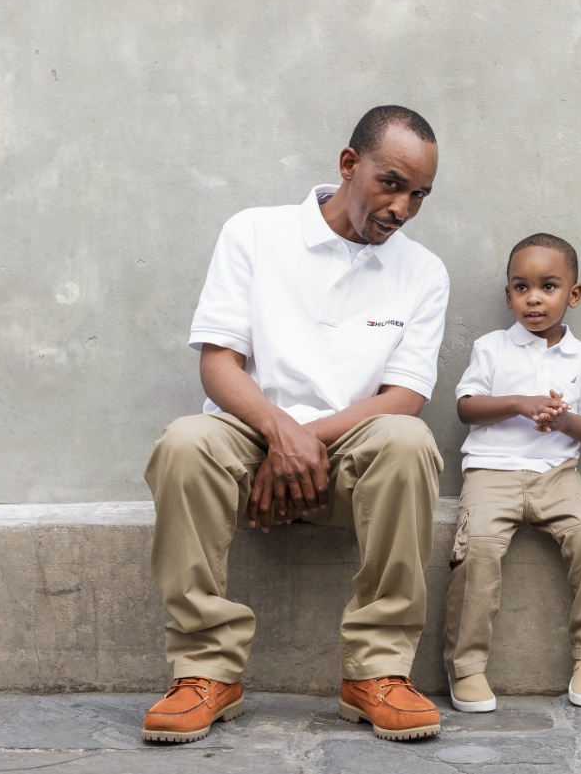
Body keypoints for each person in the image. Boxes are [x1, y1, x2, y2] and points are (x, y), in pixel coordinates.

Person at [141, 106, 450, 743]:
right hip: (251, 444)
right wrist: (279, 434)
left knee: (408, 442)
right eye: (390, 183)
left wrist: (304, 443)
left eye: (419, 194)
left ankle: (377, 673)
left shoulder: (423, 271)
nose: (402, 207)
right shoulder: (255, 232)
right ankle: (206, 671)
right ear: (348, 164)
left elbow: (405, 398)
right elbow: (220, 365)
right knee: (184, 442)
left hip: (349, 458)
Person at [443, 234, 581, 712]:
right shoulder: (491, 347)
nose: (534, 298)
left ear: (574, 295)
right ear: (508, 296)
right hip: (491, 473)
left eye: (548, 286)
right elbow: (466, 407)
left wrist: (562, 420)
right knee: (476, 547)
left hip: (557, 474)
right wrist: (521, 404)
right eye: (522, 288)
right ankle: (467, 666)